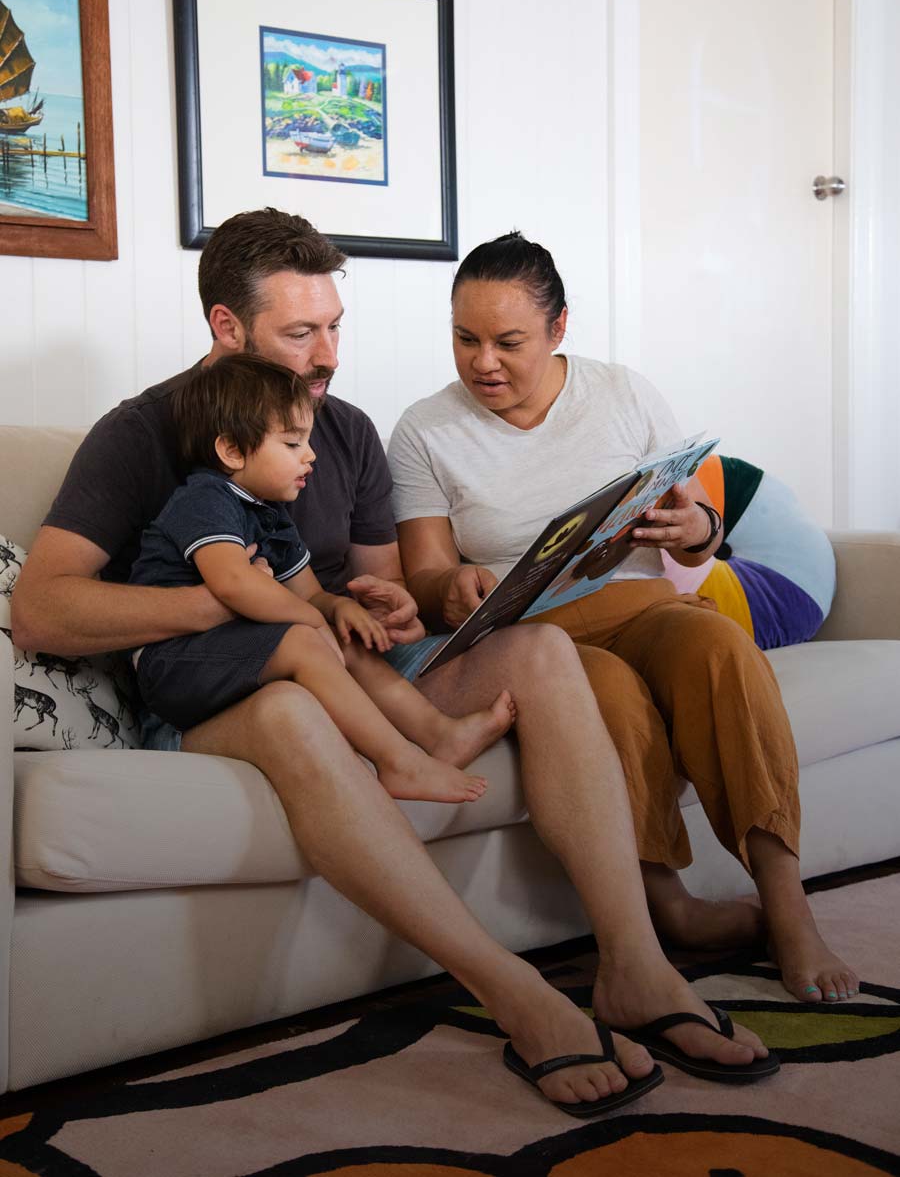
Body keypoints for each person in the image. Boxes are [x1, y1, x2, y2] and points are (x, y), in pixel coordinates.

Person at [12, 208, 775, 1118]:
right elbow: (42, 607)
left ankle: (636, 969)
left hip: (339, 661)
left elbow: (379, 589)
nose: (328, 354)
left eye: (335, 325)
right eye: (301, 333)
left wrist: (391, 601)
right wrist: (230, 601)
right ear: (227, 327)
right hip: (215, 686)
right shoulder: (144, 432)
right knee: (295, 706)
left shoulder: (341, 427)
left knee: (537, 651)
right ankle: (514, 992)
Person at [388, 230, 859, 1008]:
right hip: (537, 639)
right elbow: (426, 571)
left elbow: (699, 519)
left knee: (718, 644)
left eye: (508, 342)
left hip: (644, 604)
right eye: (464, 339)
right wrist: (453, 585)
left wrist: (694, 528)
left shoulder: (622, 392)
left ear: (560, 328)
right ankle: (667, 905)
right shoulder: (422, 430)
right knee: (606, 691)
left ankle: (787, 905)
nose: (483, 363)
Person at [130, 354, 513, 803]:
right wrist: (312, 623)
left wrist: (339, 609)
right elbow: (235, 584)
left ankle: (438, 734)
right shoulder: (205, 499)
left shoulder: (270, 515)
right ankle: (398, 763)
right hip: (173, 665)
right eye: (292, 444)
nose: (310, 454)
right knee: (304, 637)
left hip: (232, 655)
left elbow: (308, 594)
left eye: (308, 440)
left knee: (343, 635)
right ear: (231, 450)